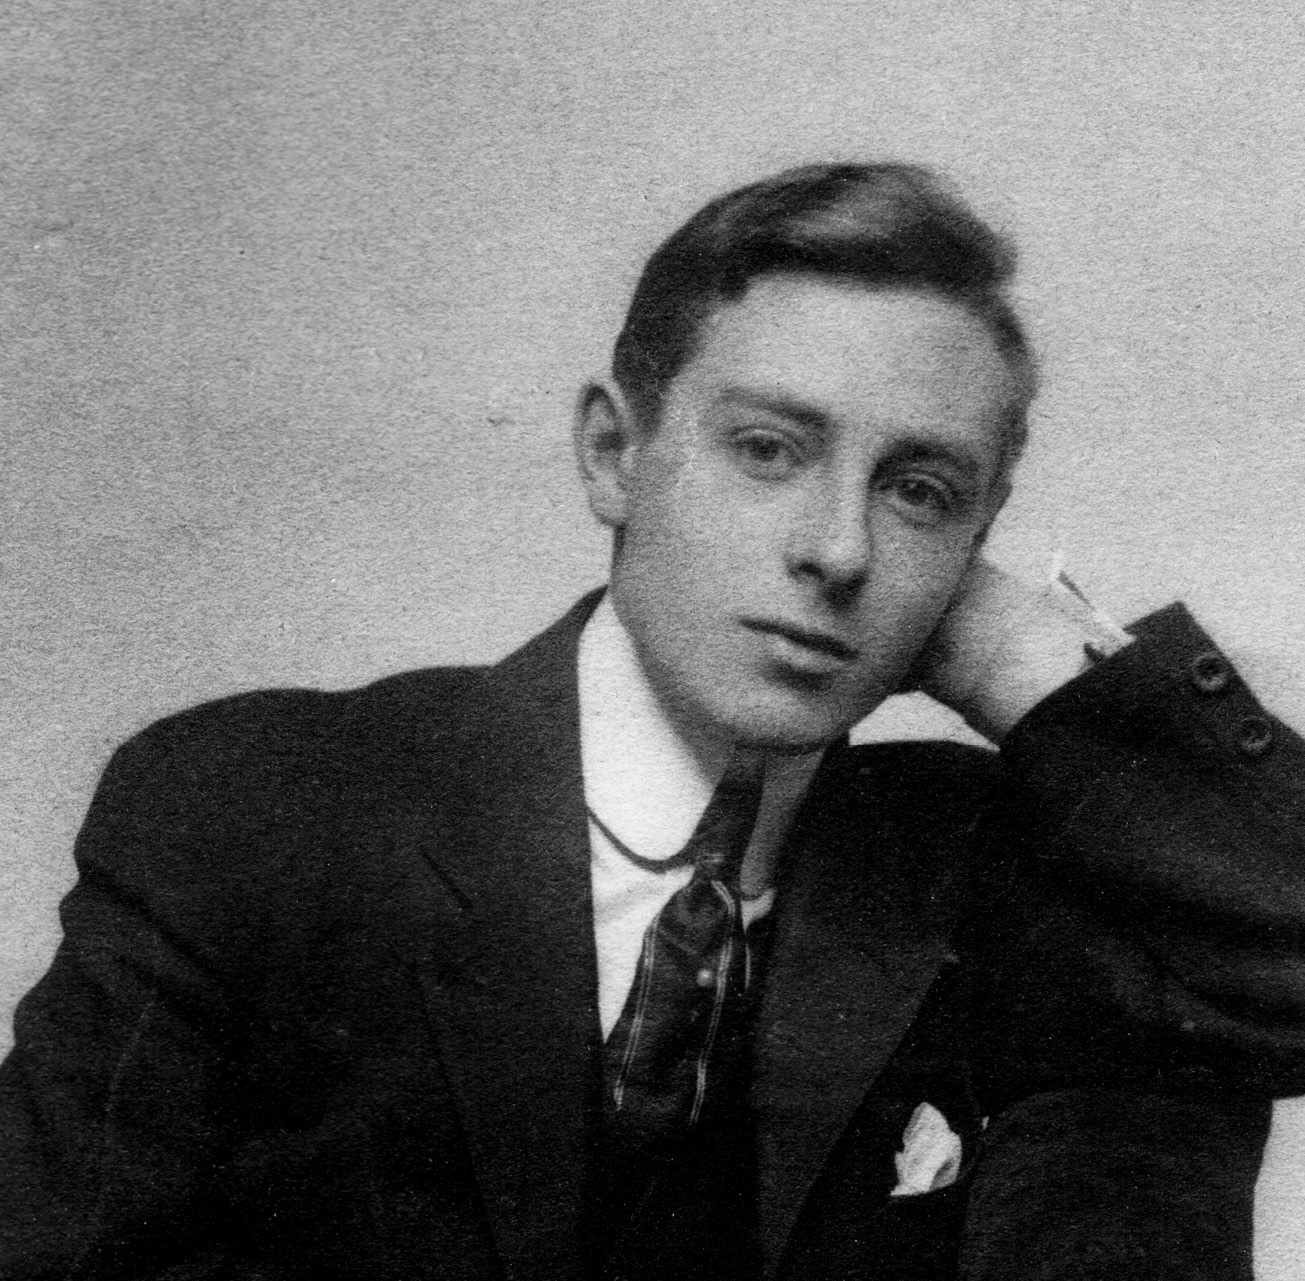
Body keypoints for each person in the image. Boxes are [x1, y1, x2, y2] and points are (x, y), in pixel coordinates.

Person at [2, 163, 1304, 1281]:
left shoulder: (1012, 879)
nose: (840, 549)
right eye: (767, 449)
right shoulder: (255, 810)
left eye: (919, 491)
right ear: (612, 454)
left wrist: (1028, 662)